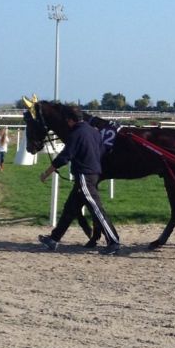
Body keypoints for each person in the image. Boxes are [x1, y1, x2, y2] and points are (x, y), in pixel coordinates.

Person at [38, 106, 120, 254]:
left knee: (96, 209)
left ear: (70, 120)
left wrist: (46, 173)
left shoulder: (75, 133)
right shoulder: (94, 132)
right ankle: (53, 239)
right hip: (93, 173)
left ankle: (113, 241)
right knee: (70, 208)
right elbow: (101, 151)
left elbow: (64, 157)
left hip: (84, 176)